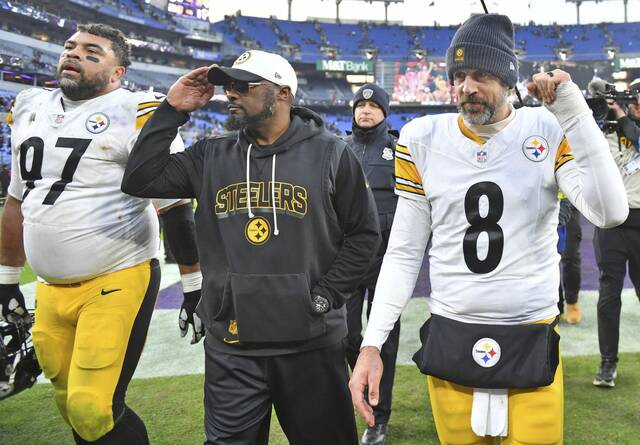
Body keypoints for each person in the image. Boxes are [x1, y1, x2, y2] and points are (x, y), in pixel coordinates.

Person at [349, 13, 628, 445]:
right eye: (458, 75)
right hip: (452, 331)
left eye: (480, 74)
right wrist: (372, 344)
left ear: (507, 77)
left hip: (530, 330)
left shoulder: (546, 128)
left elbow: (610, 212)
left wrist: (572, 112)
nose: (466, 87)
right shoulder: (423, 138)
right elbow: (404, 252)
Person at [121, 49, 380, 445]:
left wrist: (327, 295)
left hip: (310, 343)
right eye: (228, 86)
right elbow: (140, 179)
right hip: (232, 345)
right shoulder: (210, 154)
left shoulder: (331, 152)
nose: (230, 94)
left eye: (243, 86)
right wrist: (172, 109)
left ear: (282, 93)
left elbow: (364, 235)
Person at [0, 23, 202, 445]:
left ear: (117, 74)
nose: (74, 55)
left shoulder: (140, 110)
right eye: (70, 47)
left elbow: (175, 206)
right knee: (69, 403)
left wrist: (193, 283)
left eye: (93, 52)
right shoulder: (29, 104)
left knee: (94, 407)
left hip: (117, 276)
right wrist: (6, 280)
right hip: (50, 287)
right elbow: (18, 200)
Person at [343, 83, 399, 445]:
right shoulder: (338, 148)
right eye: (359, 106)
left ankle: (379, 417)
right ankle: (360, 390)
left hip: (386, 258)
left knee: (384, 340)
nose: (365, 111)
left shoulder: (398, 149)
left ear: (384, 111)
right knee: (346, 333)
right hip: (346, 259)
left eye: (372, 105)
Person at [592, 85, 640, 387]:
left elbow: (635, 137)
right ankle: (607, 363)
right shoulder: (603, 132)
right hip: (610, 225)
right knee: (609, 297)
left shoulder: (632, 131)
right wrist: (602, 111)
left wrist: (623, 116)